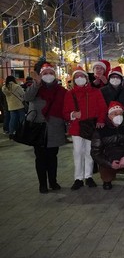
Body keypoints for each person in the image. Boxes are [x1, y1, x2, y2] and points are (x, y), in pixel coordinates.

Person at [24, 63, 67, 193]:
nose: (48, 75)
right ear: (40, 75)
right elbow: (27, 97)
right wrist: (36, 84)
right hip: (38, 127)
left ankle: (53, 182)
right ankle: (42, 184)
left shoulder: (61, 91)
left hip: (55, 127)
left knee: (52, 157)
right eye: (45, 73)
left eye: (51, 73)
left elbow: (66, 107)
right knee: (40, 157)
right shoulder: (36, 88)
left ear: (55, 75)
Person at [63, 66, 107, 190]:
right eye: (77, 77)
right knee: (77, 152)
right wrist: (73, 114)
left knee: (89, 152)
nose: (79, 79)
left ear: (87, 78)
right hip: (77, 127)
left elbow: (102, 108)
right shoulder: (69, 94)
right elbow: (65, 113)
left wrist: (100, 120)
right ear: (73, 79)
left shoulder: (95, 92)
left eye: (81, 76)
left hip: (91, 127)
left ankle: (88, 176)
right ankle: (78, 178)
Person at [90, 101, 124, 190]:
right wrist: (109, 163)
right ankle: (107, 180)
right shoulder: (100, 131)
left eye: (120, 113)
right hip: (109, 158)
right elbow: (95, 152)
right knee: (106, 175)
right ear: (109, 116)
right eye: (115, 114)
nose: (118, 116)